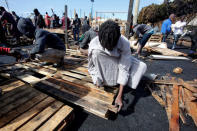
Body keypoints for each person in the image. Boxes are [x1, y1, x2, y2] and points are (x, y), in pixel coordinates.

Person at [88, 20, 147, 111]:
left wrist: (120, 95)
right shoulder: (94, 43)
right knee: (95, 53)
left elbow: (124, 68)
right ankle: (108, 81)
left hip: (118, 62)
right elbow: (91, 66)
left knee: (142, 67)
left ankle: (117, 82)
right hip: (105, 68)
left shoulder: (124, 43)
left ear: (118, 39)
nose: (109, 48)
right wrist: (96, 78)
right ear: (99, 37)